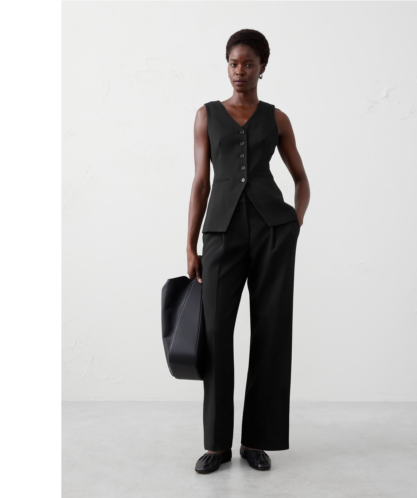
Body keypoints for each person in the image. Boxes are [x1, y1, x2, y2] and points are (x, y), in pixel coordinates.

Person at [186, 29, 310, 474]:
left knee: (271, 333)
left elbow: (301, 179)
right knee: (216, 336)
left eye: (249, 64)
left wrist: (294, 223)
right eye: (234, 63)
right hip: (220, 235)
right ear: (227, 66)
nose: (240, 71)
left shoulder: (278, 119)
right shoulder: (206, 115)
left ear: (262, 68)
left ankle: (257, 440)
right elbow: (201, 183)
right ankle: (217, 445)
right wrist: (190, 244)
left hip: (273, 234)